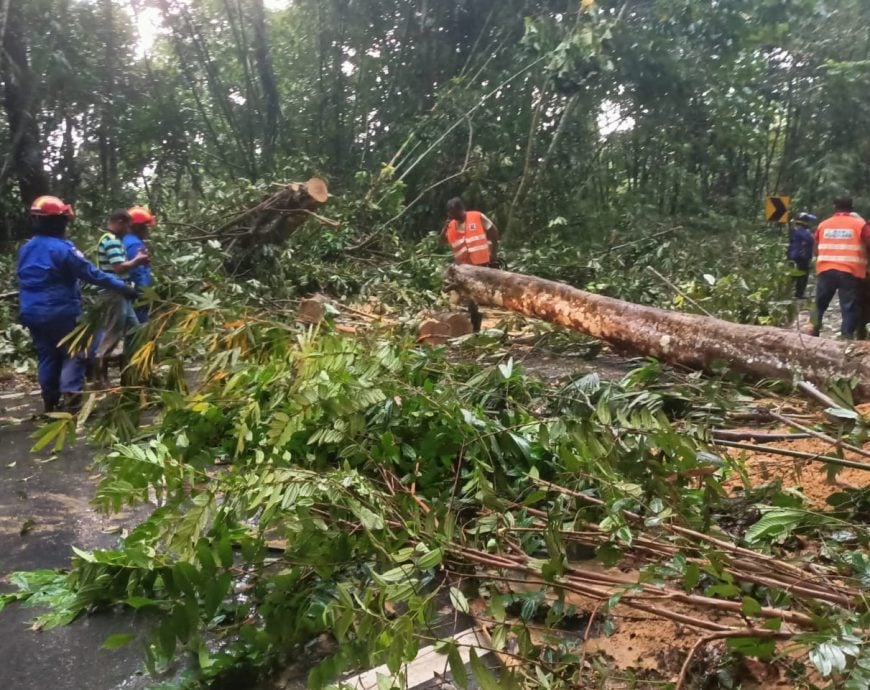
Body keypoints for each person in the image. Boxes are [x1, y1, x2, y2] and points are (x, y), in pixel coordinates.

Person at [17, 195, 138, 413]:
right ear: (59, 222)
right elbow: (91, 274)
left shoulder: (26, 249)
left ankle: (50, 402)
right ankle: (72, 402)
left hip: (32, 312)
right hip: (61, 311)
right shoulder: (62, 249)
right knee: (74, 353)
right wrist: (122, 287)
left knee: (47, 355)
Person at [94, 209, 149, 383]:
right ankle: (100, 378)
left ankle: (130, 374)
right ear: (119, 222)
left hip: (121, 291)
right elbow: (118, 267)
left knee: (135, 331)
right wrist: (138, 260)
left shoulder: (114, 240)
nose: (128, 230)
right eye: (127, 226)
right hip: (114, 292)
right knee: (112, 334)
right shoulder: (110, 240)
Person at [812, 196, 870, 338]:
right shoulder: (860, 225)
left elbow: (815, 250)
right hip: (849, 271)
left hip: (825, 270)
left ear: (834, 206)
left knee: (819, 305)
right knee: (848, 307)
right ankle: (846, 339)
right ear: (852, 208)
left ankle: (811, 332)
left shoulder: (823, 225)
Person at [440, 197, 501, 332]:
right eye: (449, 213)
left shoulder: (477, 217)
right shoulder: (451, 225)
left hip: (481, 264)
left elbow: (494, 234)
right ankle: (470, 320)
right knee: (464, 294)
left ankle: (475, 323)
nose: (451, 216)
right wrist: (445, 227)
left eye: (453, 213)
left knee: (473, 295)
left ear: (460, 209)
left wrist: (494, 256)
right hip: (463, 266)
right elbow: (442, 241)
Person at [123, 206, 156, 323]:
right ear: (138, 227)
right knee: (139, 329)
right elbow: (137, 271)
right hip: (137, 295)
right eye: (146, 227)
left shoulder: (126, 240)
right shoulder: (134, 244)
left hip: (130, 293)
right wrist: (144, 292)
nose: (147, 230)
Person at [787, 212, 816, 299]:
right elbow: (810, 239)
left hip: (794, 255)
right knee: (802, 275)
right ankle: (799, 293)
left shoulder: (794, 230)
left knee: (793, 275)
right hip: (800, 256)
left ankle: (790, 292)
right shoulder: (801, 231)